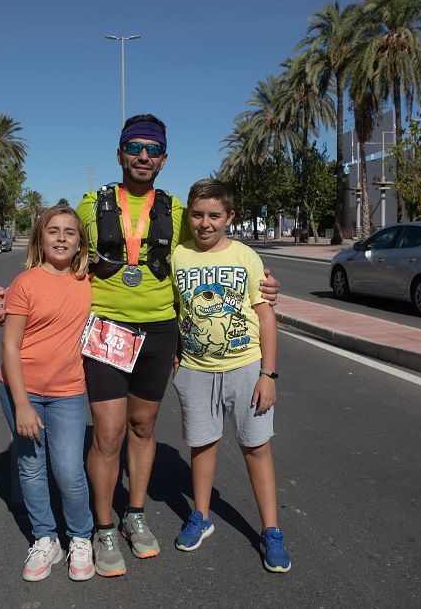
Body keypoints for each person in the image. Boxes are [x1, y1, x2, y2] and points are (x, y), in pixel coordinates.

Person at [0, 114, 279, 577]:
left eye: (152, 149)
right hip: (107, 329)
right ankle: (102, 527)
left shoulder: (179, 211)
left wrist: (261, 282)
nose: (143, 156)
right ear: (121, 153)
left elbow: (212, 249)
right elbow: (58, 253)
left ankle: (135, 514)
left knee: (143, 427)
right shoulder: (92, 204)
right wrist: (11, 297)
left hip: (160, 330)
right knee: (108, 433)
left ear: (164, 160)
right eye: (135, 147)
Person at [170, 178, 291, 573]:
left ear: (229, 217)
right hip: (196, 370)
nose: (205, 223)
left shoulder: (246, 257)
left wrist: (268, 374)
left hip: (245, 369)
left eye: (214, 216)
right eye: (198, 215)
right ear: (189, 216)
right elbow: (172, 309)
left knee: (256, 448)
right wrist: (176, 353)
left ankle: (271, 530)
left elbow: (265, 314)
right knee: (202, 445)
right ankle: (201, 516)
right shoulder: (178, 256)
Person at [0, 205, 95, 582]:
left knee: (69, 471)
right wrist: (22, 404)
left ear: (80, 242)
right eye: (52, 230)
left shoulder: (90, 281)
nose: (61, 238)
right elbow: (10, 346)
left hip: (68, 392)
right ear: (40, 236)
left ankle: (80, 537)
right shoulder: (26, 283)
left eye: (69, 232)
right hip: (21, 390)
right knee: (31, 467)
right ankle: (45, 537)